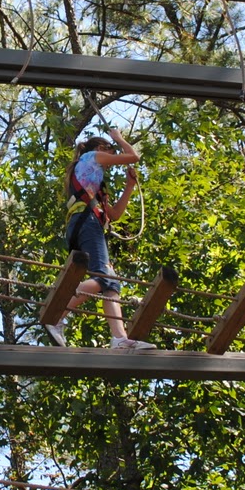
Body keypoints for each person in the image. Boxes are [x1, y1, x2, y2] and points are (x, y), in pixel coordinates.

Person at [42, 126, 155, 352]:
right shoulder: (91, 156)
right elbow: (133, 156)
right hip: (87, 223)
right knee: (106, 277)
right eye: (110, 149)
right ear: (101, 148)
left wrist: (129, 186)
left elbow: (114, 215)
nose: (112, 154)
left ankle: (119, 338)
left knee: (110, 283)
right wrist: (119, 139)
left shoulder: (96, 184)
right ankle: (57, 314)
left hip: (86, 224)